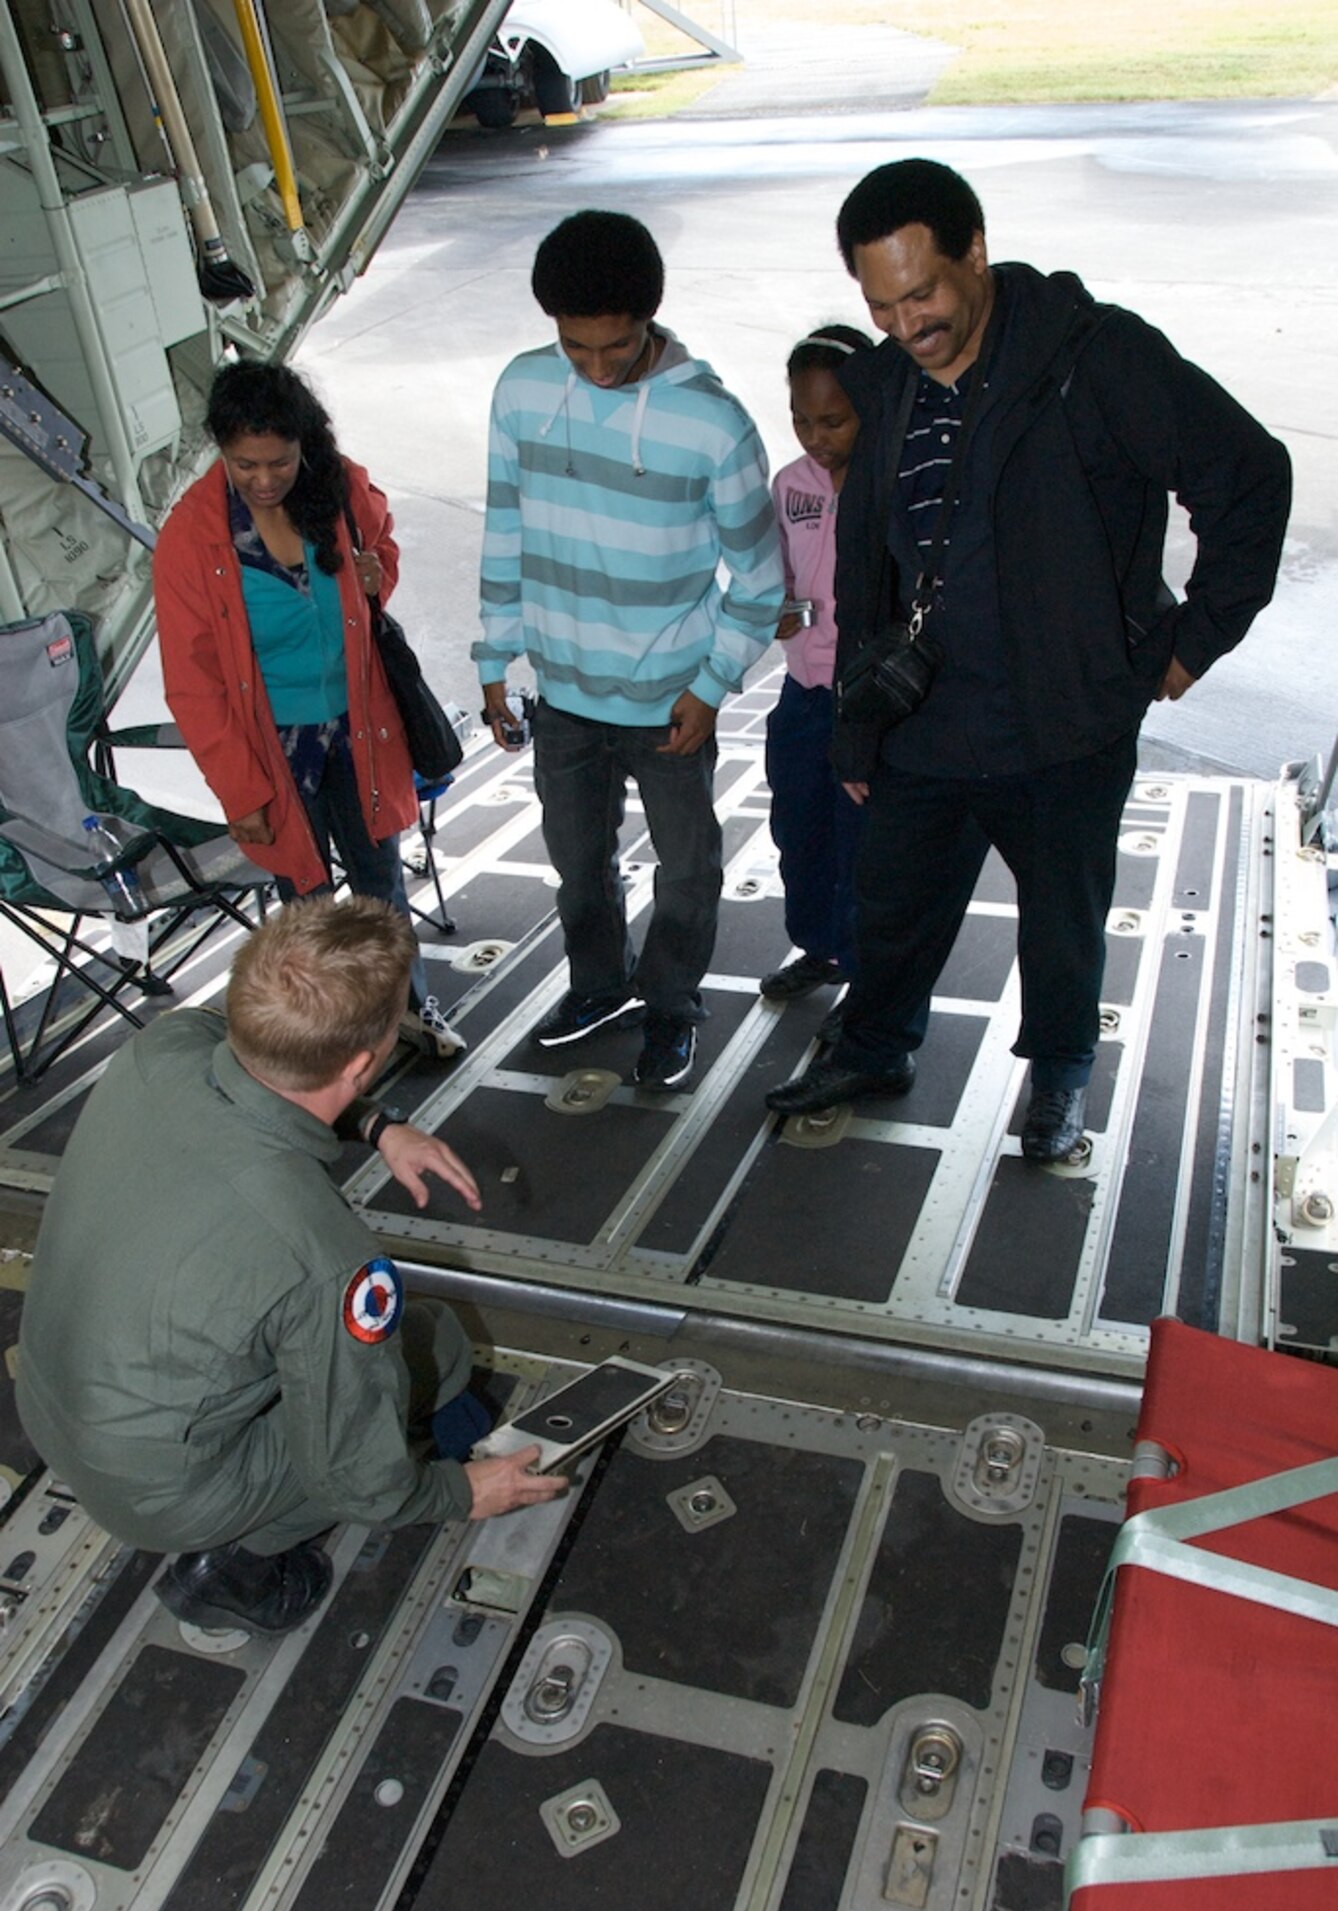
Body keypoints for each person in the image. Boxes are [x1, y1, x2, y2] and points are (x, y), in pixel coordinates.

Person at [765, 159, 1291, 1162]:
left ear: (976, 251)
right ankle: (875, 1044)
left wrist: (1187, 647)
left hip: (1061, 723)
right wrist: (859, 720)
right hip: (923, 719)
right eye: (881, 304)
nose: (906, 324)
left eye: (923, 294)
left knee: (1062, 923)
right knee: (894, 902)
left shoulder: (1096, 359)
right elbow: (873, 548)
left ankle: (1058, 1079)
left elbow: (1250, 477)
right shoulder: (884, 383)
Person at [16, 898, 567, 1637]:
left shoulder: (159, 1047)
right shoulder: (325, 1258)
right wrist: (458, 1493)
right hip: (154, 1495)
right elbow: (356, 1478)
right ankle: (237, 1566)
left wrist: (376, 1124)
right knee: (431, 1345)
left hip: (46, 1405)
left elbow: (248, 1051)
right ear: (363, 1063)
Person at [473, 209, 785, 1092]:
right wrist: (495, 660)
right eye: (577, 349)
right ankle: (599, 988)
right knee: (579, 868)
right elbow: (506, 529)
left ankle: (673, 1006)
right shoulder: (523, 391)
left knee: (687, 872)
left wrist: (712, 685)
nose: (599, 369)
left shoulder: (713, 425)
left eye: (618, 348)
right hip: (564, 695)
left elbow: (759, 582)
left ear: (651, 318)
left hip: (669, 702)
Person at [154, 358, 463, 1063]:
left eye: (279, 462)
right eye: (244, 465)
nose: (263, 480)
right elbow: (193, 684)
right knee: (307, 901)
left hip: (359, 728)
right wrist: (242, 791)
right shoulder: (192, 537)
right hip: (274, 747)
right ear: (220, 453)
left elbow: (381, 548)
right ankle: (333, 1043)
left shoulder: (341, 488)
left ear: (305, 445)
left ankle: (409, 1014)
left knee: (380, 881)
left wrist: (376, 573)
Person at [760, 324, 873, 1028]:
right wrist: (772, 605)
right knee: (800, 832)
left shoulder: (892, 480)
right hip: (803, 694)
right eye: (801, 418)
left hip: (869, 702)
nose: (815, 435)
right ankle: (821, 948)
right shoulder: (790, 484)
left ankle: (870, 981)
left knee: (865, 848)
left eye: (833, 420)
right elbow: (774, 568)